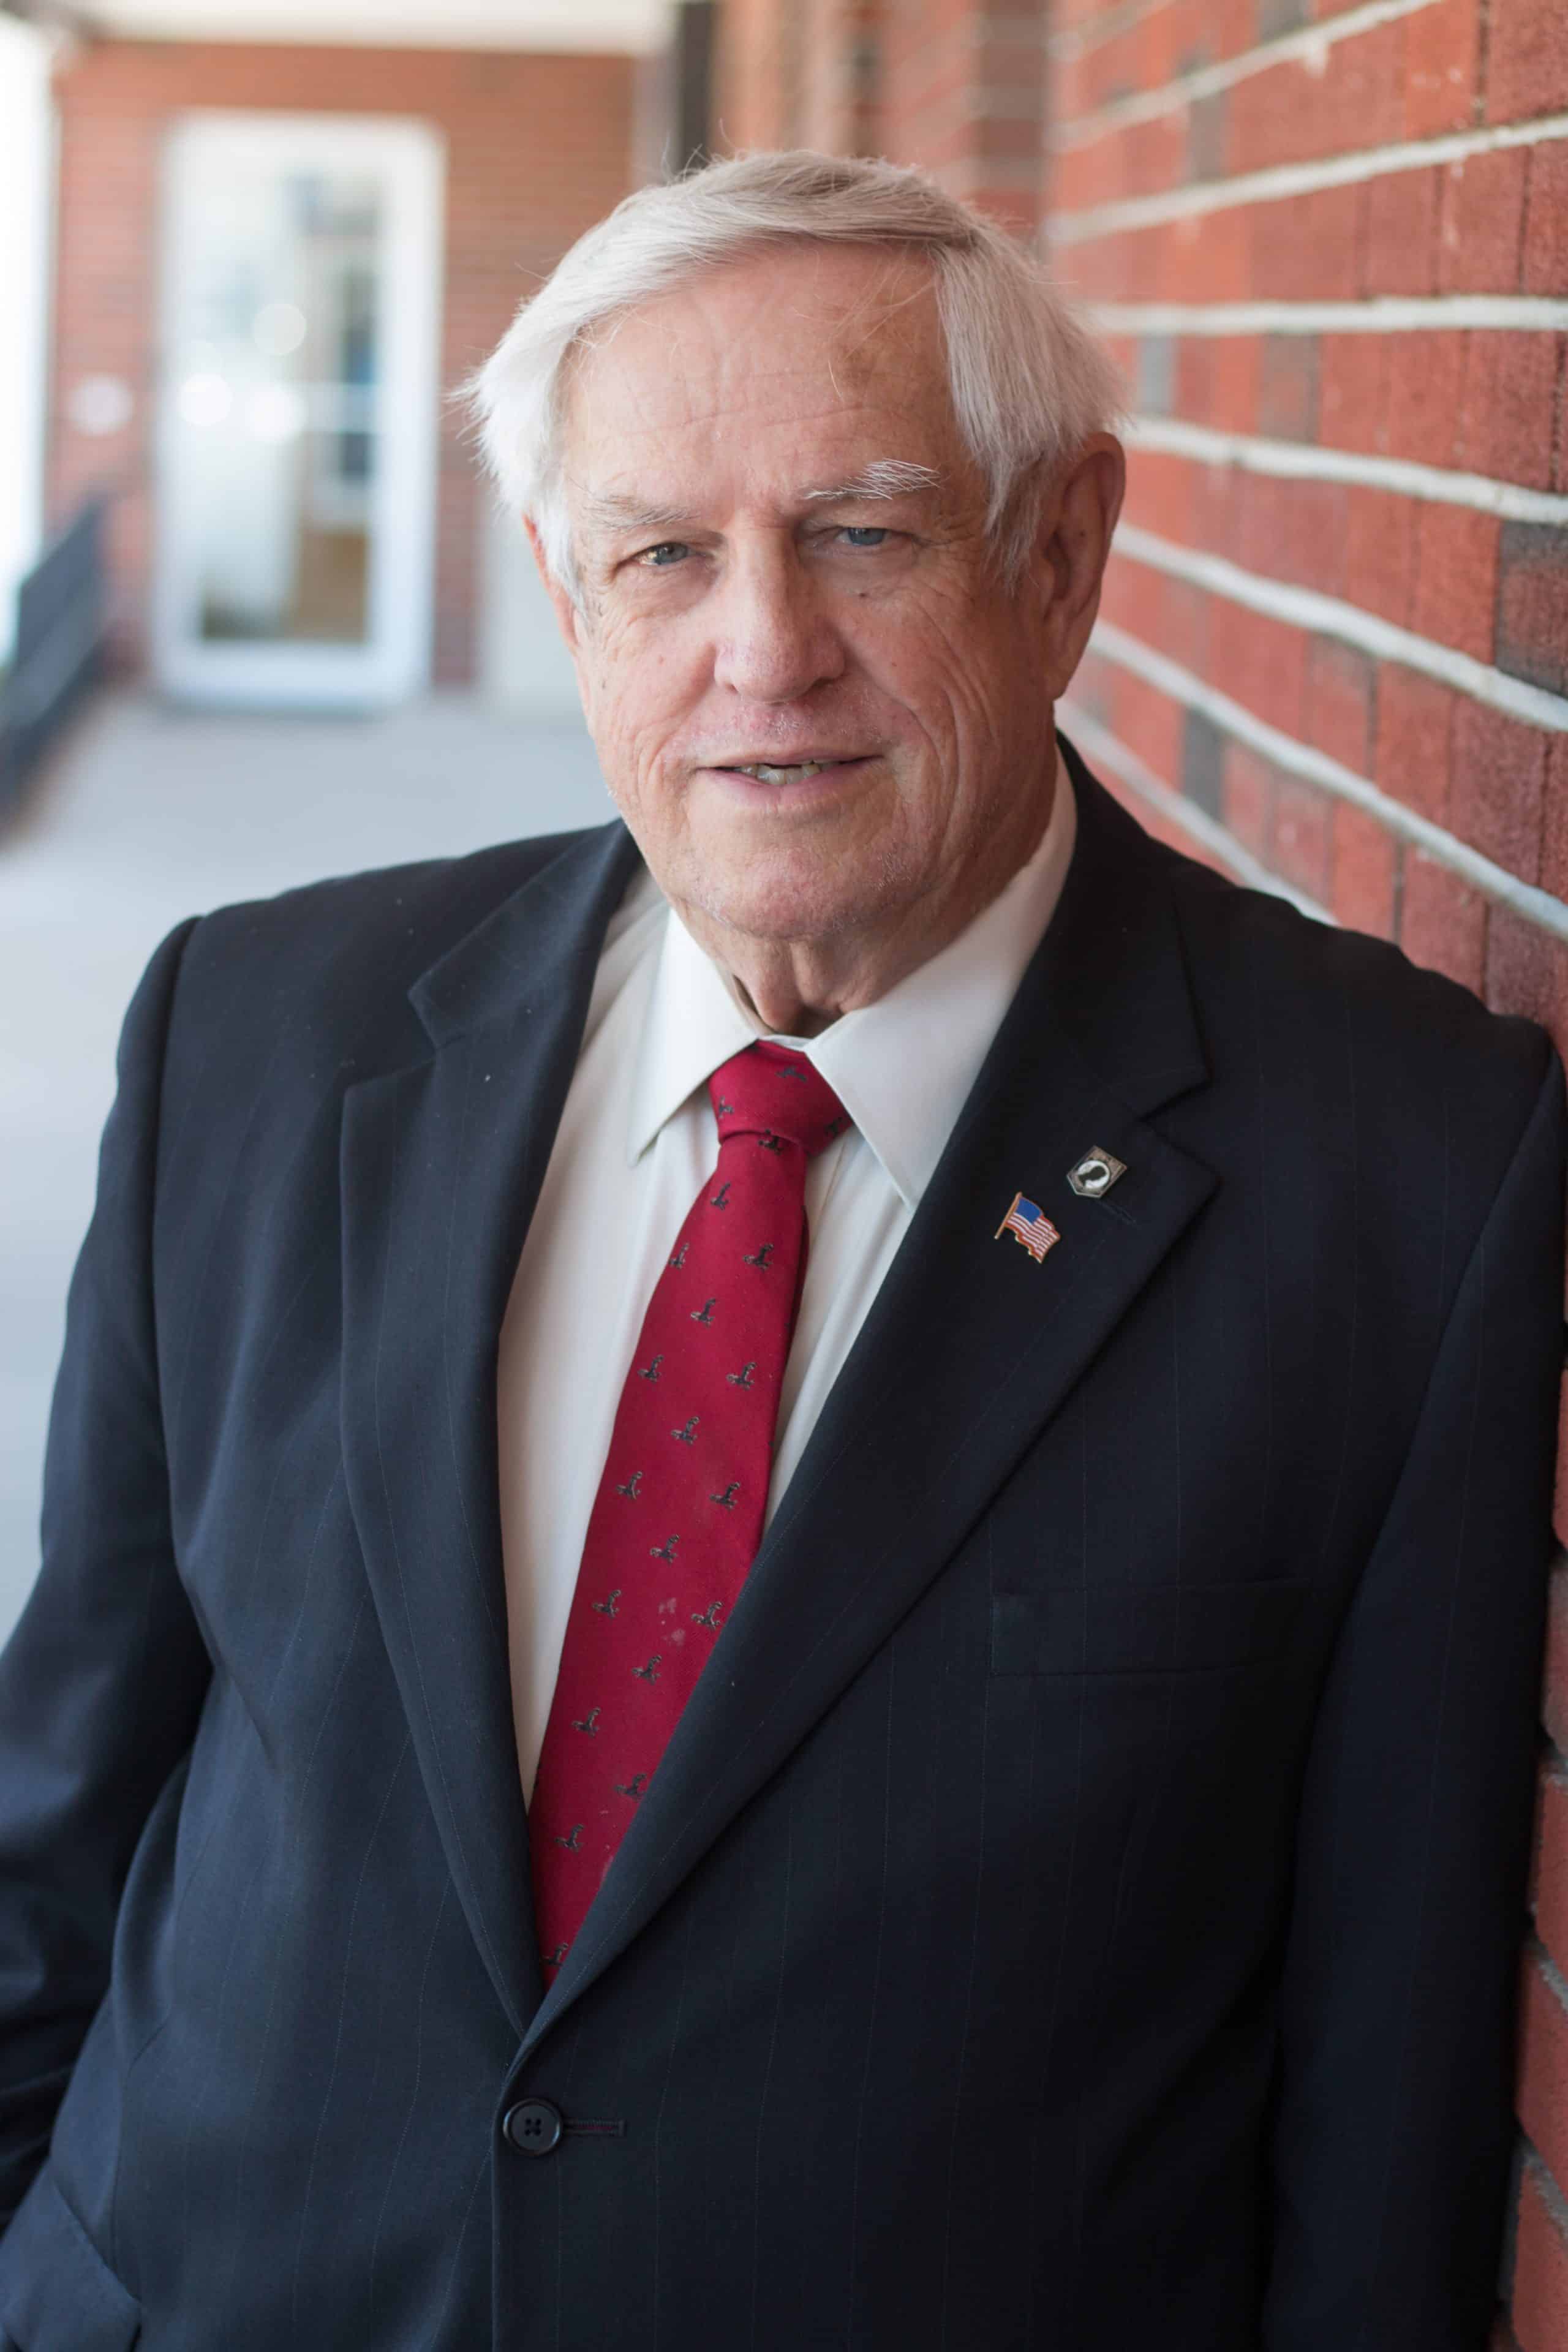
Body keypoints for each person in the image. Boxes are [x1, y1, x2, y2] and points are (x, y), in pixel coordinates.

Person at [0, 150, 1559, 2352]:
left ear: (1061, 554)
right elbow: (58, 1836)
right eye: (662, 555)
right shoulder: (252, 1040)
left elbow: (1383, 2129)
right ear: (569, 602)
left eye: (863, 534)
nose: (765, 655)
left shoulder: (1397, 1173)